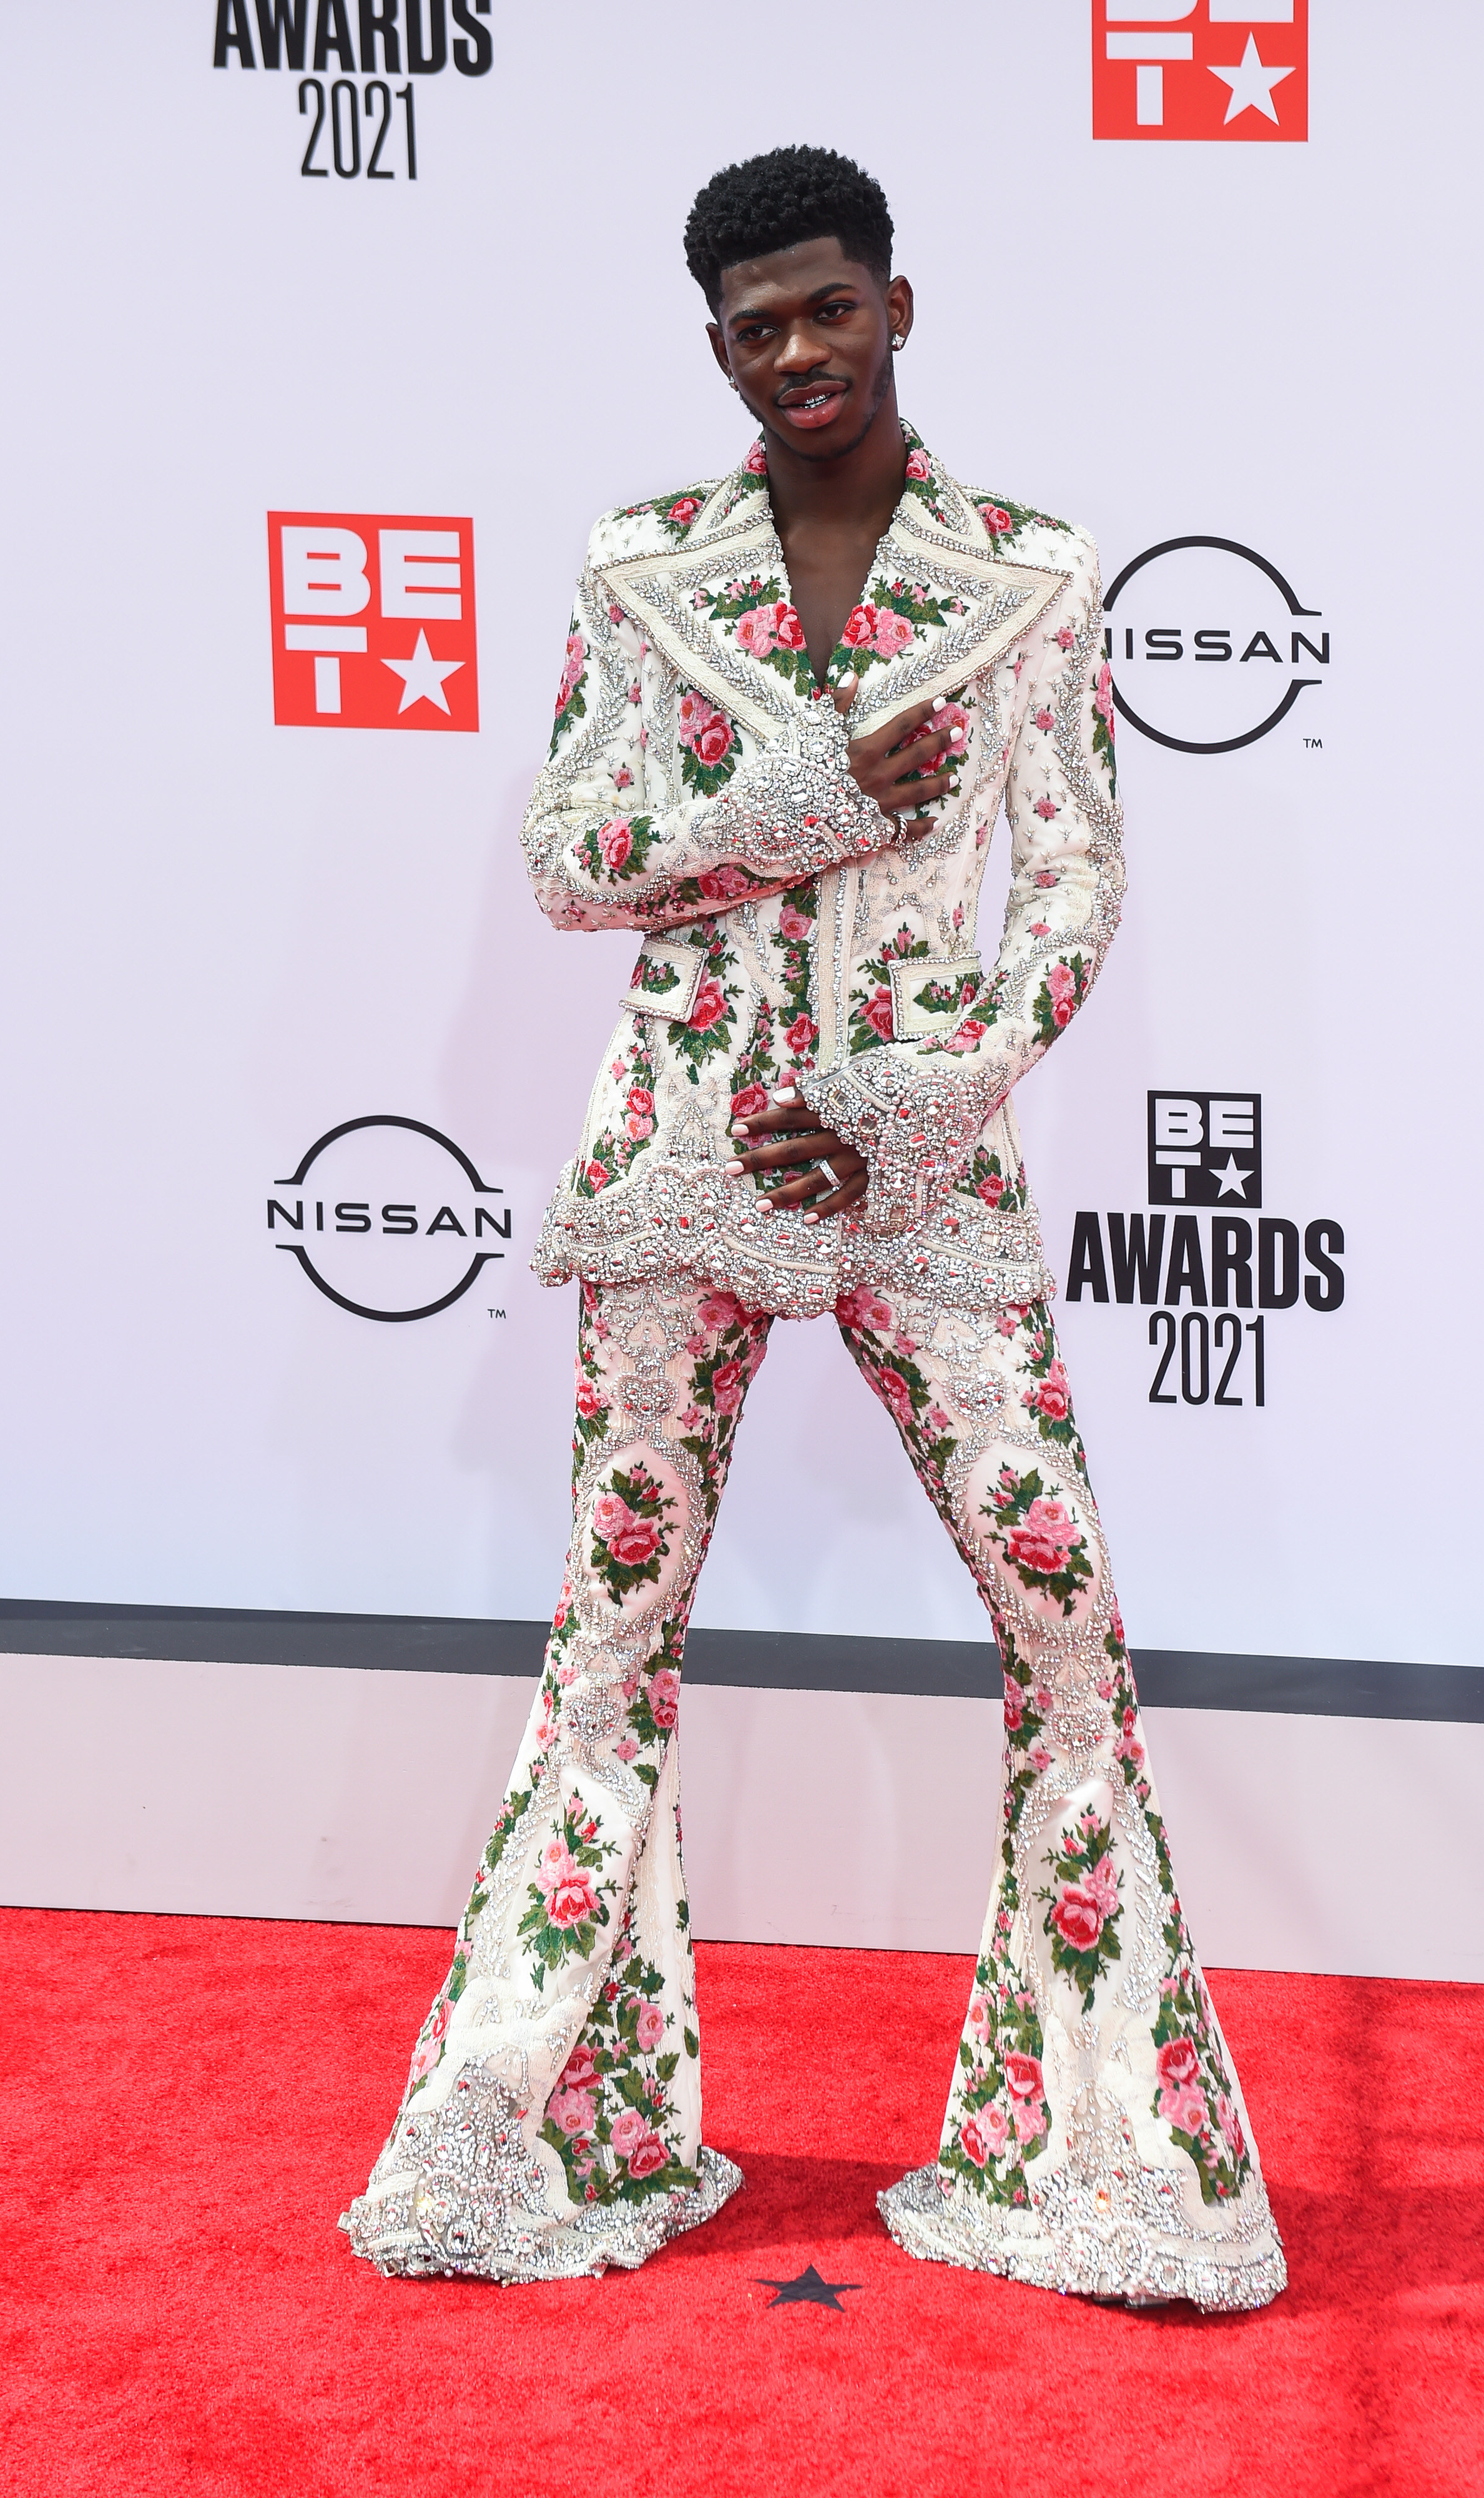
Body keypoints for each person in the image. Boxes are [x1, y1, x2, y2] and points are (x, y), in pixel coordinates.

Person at [340, 145, 1285, 2313]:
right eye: (757, 327)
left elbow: (1074, 885)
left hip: (922, 1166)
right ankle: (530, 2149)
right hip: (676, 1163)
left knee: (1070, 1641)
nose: (799, 355)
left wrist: (917, 1093)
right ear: (717, 349)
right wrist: (775, 812)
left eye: (829, 310)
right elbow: (574, 855)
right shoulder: (644, 563)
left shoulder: (1033, 574)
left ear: (898, 307)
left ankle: (1111, 2165)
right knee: (608, 1647)